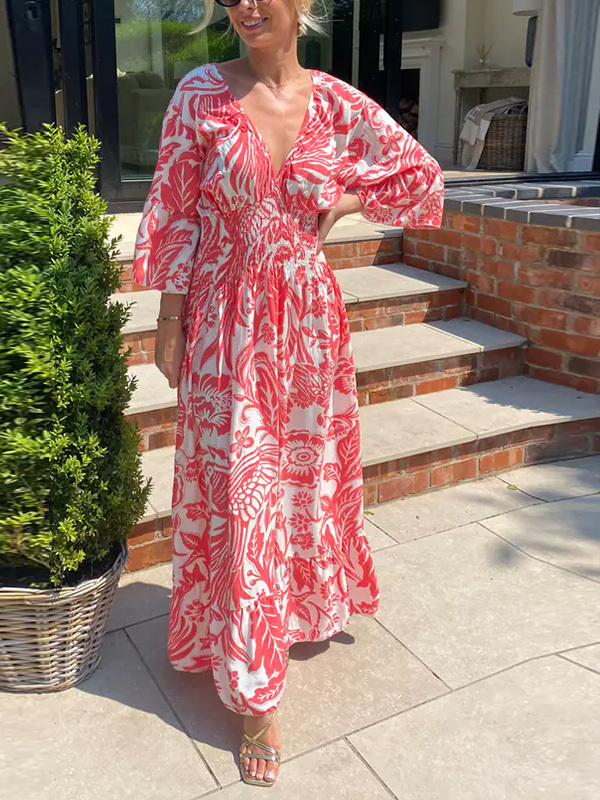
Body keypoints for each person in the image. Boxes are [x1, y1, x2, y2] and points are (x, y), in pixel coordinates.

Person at [132, 0, 444, 787]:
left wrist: (347, 201)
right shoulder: (200, 96)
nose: (243, 6)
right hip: (224, 322)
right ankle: (254, 691)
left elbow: (419, 177)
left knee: (300, 484)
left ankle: (296, 611)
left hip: (308, 324)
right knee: (242, 492)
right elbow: (174, 211)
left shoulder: (335, 102)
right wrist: (168, 321)